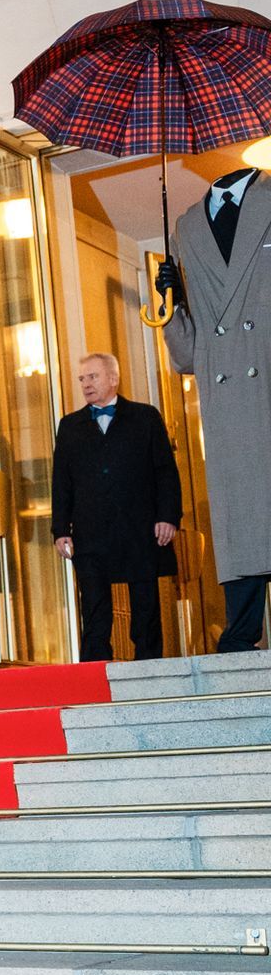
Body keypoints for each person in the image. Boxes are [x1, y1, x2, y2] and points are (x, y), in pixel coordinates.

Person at [162, 164, 271, 653]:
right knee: (240, 523)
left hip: (264, 375)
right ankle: (242, 631)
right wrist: (171, 300)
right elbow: (187, 357)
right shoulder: (186, 226)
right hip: (226, 403)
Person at [50, 351, 181, 662]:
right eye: (82, 378)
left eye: (92, 376)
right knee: (94, 607)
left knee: (144, 603)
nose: (85, 384)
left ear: (113, 378)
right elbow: (61, 482)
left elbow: (165, 470)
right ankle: (94, 669)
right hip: (91, 531)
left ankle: (149, 667)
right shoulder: (70, 426)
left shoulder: (145, 417)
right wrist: (60, 529)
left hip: (139, 527)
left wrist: (168, 516)